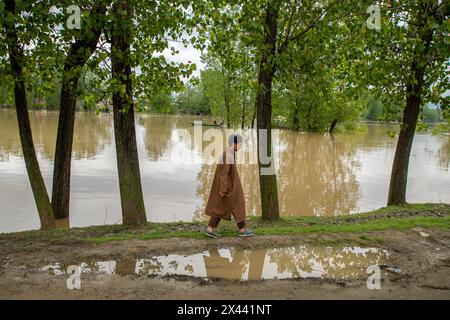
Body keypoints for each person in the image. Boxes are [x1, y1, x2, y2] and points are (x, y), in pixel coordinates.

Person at [204, 134, 254, 238]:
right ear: (234, 144)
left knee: (222, 207)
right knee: (237, 204)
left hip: (230, 187)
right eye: (240, 144)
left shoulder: (230, 153)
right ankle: (242, 230)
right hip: (228, 188)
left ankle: (210, 229)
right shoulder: (228, 155)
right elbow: (223, 174)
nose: (240, 146)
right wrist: (223, 190)